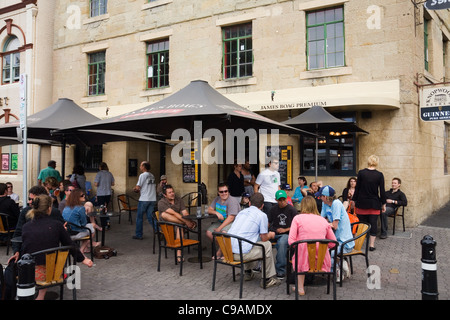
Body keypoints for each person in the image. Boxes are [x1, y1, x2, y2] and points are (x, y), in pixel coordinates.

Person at [20, 194, 93, 300]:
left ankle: (34, 296)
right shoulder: (56, 225)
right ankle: (40, 296)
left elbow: (26, 248)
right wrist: (83, 259)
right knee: (47, 260)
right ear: (49, 208)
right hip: (54, 273)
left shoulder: (26, 227)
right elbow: (70, 245)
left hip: (30, 273)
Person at [227, 192, 281, 288]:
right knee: (267, 245)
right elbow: (264, 238)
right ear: (262, 205)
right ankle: (267, 279)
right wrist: (271, 234)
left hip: (228, 252)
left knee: (250, 241)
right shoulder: (262, 215)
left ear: (249, 203)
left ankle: (248, 272)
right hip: (240, 255)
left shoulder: (241, 213)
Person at [288, 195, 337, 295]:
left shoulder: (297, 218)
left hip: (303, 261)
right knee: (303, 253)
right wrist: (323, 247)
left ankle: (300, 288)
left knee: (299, 254)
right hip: (321, 260)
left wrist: (300, 245)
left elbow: (291, 241)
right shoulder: (323, 220)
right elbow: (333, 242)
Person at [9, 185, 66, 264]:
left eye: (32, 199)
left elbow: (66, 229)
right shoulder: (26, 212)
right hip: (28, 254)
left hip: (49, 253)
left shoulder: (53, 212)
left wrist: (64, 229)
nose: (29, 201)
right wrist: (16, 251)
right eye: (29, 199)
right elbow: (18, 233)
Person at [316, 185, 354, 280]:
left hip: (345, 243)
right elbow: (321, 219)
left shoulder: (336, 203)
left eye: (320, 196)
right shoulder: (325, 204)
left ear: (325, 197)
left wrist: (324, 225)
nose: (319, 198)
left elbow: (335, 225)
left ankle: (338, 269)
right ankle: (339, 263)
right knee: (321, 251)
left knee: (326, 254)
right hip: (335, 241)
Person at [353, 155, 386, 251]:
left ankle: (358, 244)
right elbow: (382, 191)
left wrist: (354, 200)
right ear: (377, 162)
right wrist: (383, 204)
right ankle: (371, 245)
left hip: (362, 202)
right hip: (374, 203)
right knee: (373, 224)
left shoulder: (361, 173)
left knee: (361, 224)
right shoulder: (379, 175)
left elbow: (357, 188)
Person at [158, 184, 196, 261]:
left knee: (179, 227)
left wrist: (189, 220)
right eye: (169, 192)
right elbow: (174, 213)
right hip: (167, 224)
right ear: (165, 195)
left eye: (173, 191)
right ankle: (184, 224)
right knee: (164, 214)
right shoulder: (161, 202)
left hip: (178, 223)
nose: (172, 193)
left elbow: (185, 213)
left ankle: (179, 253)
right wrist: (186, 222)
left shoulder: (179, 200)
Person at [267, 189, 298, 279]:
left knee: (282, 243)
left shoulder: (292, 210)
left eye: (284, 199)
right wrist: (265, 231)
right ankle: (260, 266)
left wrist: (285, 230)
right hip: (274, 232)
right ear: (276, 200)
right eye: (280, 200)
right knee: (260, 239)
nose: (282, 202)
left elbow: (297, 226)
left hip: (287, 233)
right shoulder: (273, 209)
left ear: (286, 199)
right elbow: (268, 222)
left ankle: (281, 270)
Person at [205, 183, 241, 258]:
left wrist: (219, 228)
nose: (224, 193)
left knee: (223, 233)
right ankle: (224, 250)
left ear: (228, 191)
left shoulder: (232, 201)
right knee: (209, 233)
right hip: (221, 221)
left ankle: (220, 252)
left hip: (233, 222)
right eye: (221, 192)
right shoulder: (217, 199)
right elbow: (209, 210)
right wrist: (216, 213)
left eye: (225, 191)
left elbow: (231, 218)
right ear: (218, 193)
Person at [62, 188, 100, 255]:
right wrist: (85, 214)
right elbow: (83, 223)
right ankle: (82, 249)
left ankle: (86, 246)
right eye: (82, 195)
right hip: (75, 233)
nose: (84, 196)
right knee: (92, 226)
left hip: (67, 232)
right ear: (77, 197)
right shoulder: (80, 208)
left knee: (88, 227)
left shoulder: (66, 207)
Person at [132, 161, 157, 240]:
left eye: (140, 165)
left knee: (139, 217)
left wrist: (134, 189)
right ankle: (160, 231)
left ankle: (139, 234)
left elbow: (138, 187)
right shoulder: (152, 175)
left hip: (144, 199)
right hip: (152, 199)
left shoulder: (142, 175)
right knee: (150, 217)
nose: (139, 167)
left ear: (144, 167)